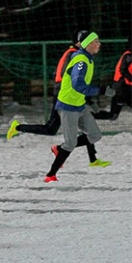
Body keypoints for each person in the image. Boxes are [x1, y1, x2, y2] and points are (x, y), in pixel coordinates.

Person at [7, 31, 107, 168]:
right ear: (79, 43)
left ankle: (93, 158)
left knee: (86, 126)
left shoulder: (78, 55)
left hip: (68, 94)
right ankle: (18, 127)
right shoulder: (75, 56)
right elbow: (69, 78)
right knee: (51, 128)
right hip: (63, 93)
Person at [44, 31, 110, 183]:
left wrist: (90, 100)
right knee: (70, 143)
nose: (99, 44)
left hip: (79, 105)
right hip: (68, 106)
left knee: (95, 136)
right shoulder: (81, 60)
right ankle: (51, 175)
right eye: (96, 41)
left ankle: (59, 149)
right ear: (86, 44)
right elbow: (78, 85)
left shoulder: (87, 58)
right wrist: (100, 90)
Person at [93, 41, 131, 120]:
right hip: (121, 89)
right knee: (113, 115)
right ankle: (87, 117)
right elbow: (123, 70)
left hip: (127, 89)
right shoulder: (128, 55)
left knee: (113, 115)